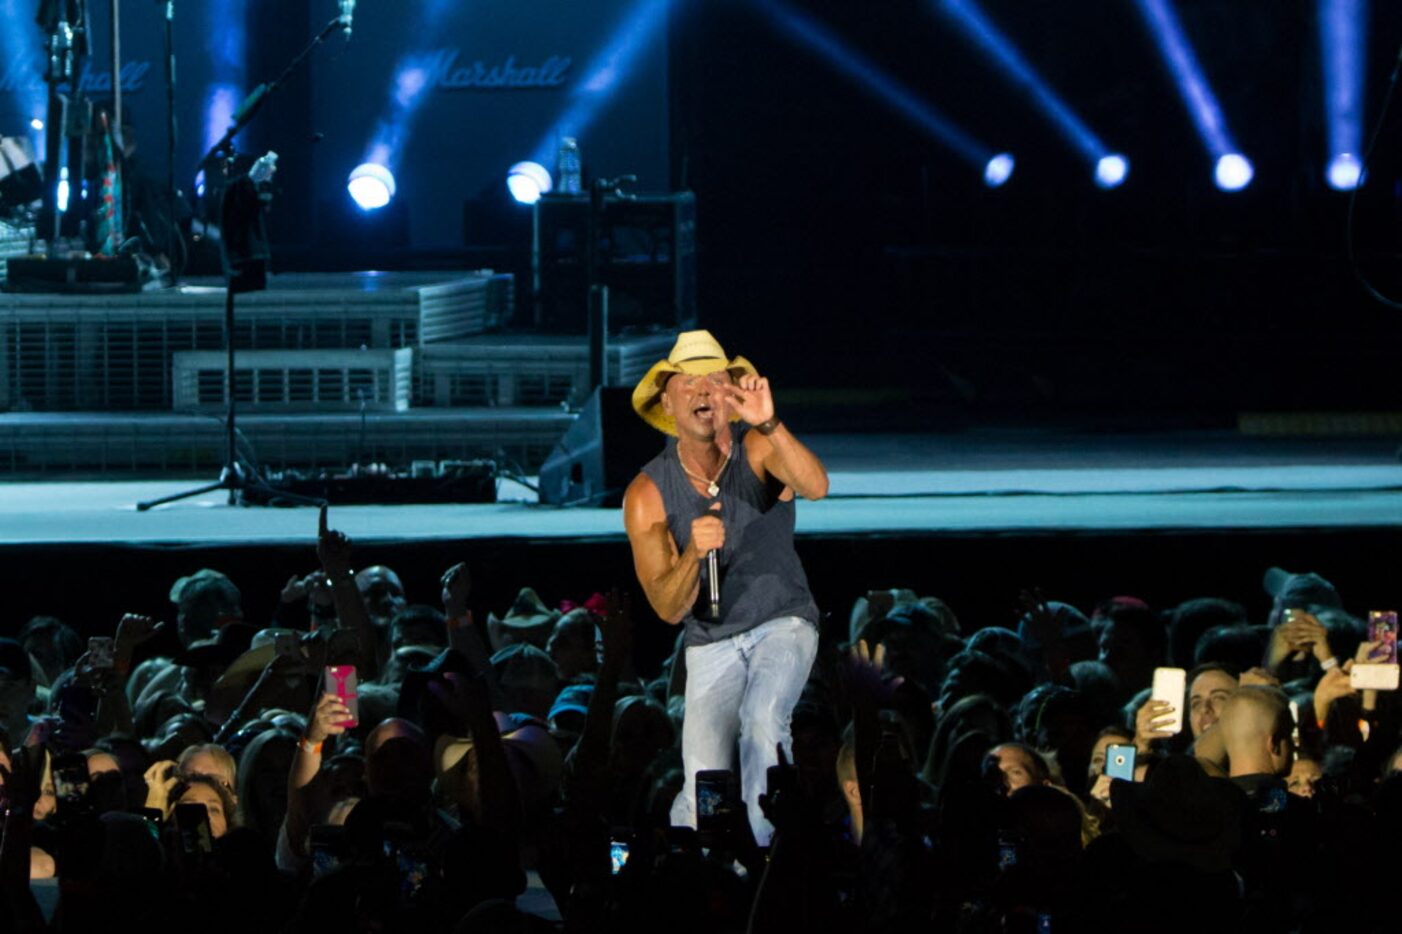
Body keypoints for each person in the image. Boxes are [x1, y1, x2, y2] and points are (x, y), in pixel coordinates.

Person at [623, 330, 828, 845]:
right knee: (703, 775)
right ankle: (697, 869)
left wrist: (772, 424)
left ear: (732, 398)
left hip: (781, 620)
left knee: (761, 720)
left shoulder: (758, 446)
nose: (702, 393)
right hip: (711, 641)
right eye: (688, 383)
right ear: (667, 400)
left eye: (715, 382)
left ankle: (764, 861)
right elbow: (668, 610)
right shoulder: (647, 493)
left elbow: (817, 486)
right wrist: (693, 552)